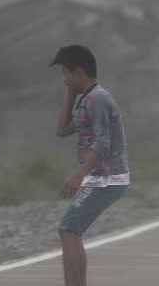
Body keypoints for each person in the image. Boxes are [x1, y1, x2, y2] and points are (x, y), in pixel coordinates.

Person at [50, 44, 131, 286]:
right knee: (68, 230)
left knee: (69, 230)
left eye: (65, 73)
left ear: (77, 72)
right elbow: (62, 130)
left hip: (107, 177)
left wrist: (79, 174)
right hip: (98, 177)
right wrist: (70, 94)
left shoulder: (98, 99)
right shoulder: (86, 99)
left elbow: (103, 144)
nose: (64, 79)